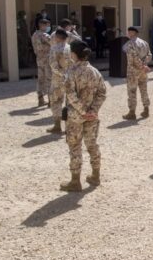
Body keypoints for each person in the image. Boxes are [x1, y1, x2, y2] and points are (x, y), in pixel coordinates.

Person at [61, 40, 107, 192]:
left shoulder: (71, 72)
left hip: (76, 117)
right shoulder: (95, 71)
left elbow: (71, 95)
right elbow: (102, 93)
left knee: (75, 147)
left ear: (74, 54)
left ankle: (75, 181)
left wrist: (82, 111)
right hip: (92, 117)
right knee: (92, 145)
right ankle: (96, 175)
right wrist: (93, 110)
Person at [122, 26, 152, 119]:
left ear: (132, 33)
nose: (127, 33)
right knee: (144, 90)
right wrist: (144, 65)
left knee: (132, 91)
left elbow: (133, 58)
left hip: (133, 71)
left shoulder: (130, 44)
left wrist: (142, 66)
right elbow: (149, 55)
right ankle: (146, 110)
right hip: (143, 71)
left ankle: (132, 113)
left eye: (128, 32)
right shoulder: (144, 43)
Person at [47, 29, 71, 134]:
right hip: (70, 78)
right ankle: (69, 127)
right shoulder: (70, 48)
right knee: (69, 102)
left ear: (57, 37)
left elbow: (53, 64)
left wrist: (62, 74)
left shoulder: (54, 48)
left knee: (56, 101)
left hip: (58, 79)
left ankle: (57, 125)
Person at [31, 18, 52, 107]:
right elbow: (53, 42)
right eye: (47, 26)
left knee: (40, 80)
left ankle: (40, 99)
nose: (48, 27)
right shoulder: (44, 35)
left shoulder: (34, 35)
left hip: (39, 59)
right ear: (42, 25)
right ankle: (51, 100)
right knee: (49, 79)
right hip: (47, 59)